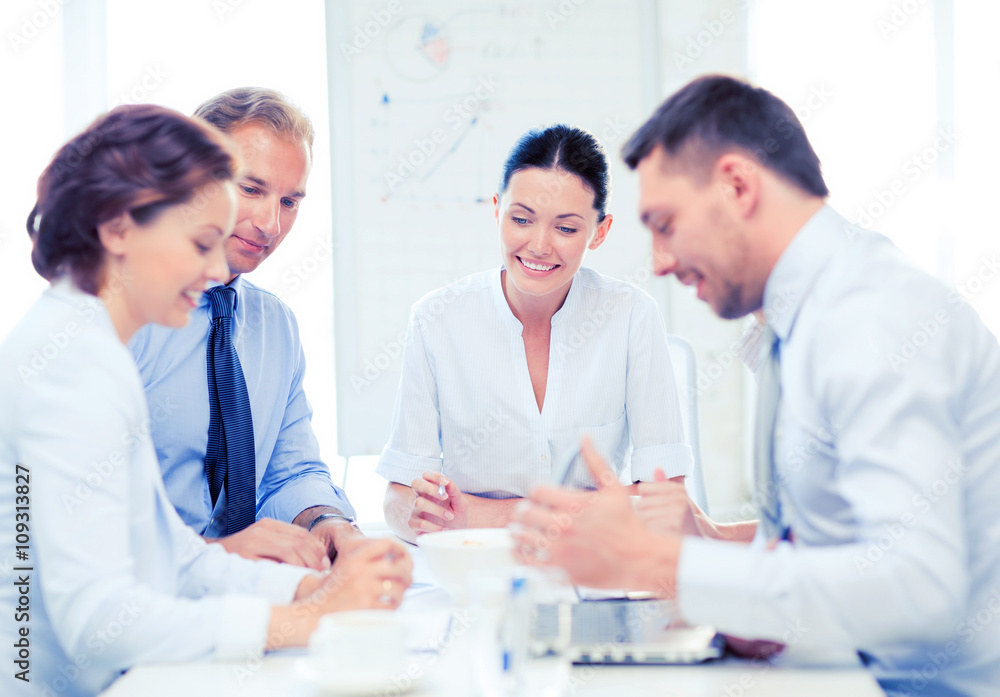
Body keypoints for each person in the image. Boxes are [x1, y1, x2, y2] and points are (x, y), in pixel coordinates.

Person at [511, 75, 1000, 696]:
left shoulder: (869, 317)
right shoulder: (794, 320)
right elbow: (815, 553)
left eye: (665, 224)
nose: (658, 261)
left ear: (738, 186)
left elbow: (920, 588)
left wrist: (661, 562)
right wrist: (704, 554)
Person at [0, 105, 412, 697]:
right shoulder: (72, 366)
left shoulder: (91, 348)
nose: (220, 268)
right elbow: (99, 621)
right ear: (117, 228)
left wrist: (311, 591)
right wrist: (305, 618)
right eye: (200, 243)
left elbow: (170, 557)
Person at [379, 125, 693, 543]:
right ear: (496, 210)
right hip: (476, 564)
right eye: (522, 219)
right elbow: (400, 498)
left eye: (566, 228)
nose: (539, 246)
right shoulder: (436, 319)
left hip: (593, 566)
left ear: (600, 231)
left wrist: (476, 512)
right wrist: (598, 507)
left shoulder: (631, 316)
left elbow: (665, 500)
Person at [129, 88, 366, 570]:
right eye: (251, 189)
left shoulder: (274, 326)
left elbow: (289, 469)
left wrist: (327, 523)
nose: (270, 224)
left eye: (291, 201)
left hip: (241, 603)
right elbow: (72, 519)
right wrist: (212, 556)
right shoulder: (124, 317)